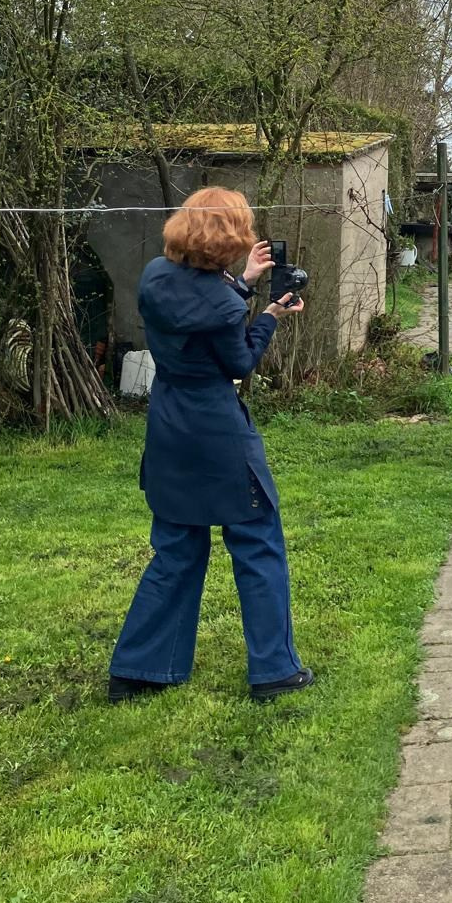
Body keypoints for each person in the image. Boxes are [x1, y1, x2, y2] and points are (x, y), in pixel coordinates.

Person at [109, 186, 313, 704]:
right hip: (219, 432)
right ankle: (273, 671)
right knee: (258, 543)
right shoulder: (223, 305)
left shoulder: (155, 277)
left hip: (170, 425)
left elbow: (196, 310)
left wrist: (242, 286)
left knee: (175, 550)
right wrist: (268, 316)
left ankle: (138, 669)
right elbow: (239, 360)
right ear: (230, 239)